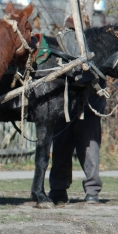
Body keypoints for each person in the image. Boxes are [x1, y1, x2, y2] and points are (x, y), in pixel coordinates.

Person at [48, 15, 105, 205]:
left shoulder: (94, 48)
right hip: (64, 108)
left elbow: (99, 76)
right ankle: (58, 190)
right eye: (69, 29)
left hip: (89, 108)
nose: (70, 33)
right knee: (61, 151)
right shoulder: (59, 47)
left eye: (74, 30)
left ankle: (92, 191)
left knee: (90, 150)